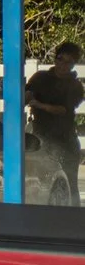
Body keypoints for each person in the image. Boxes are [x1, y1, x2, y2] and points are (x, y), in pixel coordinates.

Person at [24, 41, 82, 195]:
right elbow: (26, 95)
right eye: (60, 59)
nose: (63, 65)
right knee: (40, 183)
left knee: (69, 185)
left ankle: (71, 210)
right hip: (40, 138)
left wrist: (39, 105)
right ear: (55, 59)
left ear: (73, 64)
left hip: (65, 140)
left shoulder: (75, 86)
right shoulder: (40, 78)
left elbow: (63, 110)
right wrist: (26, 96)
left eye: (68, 62)